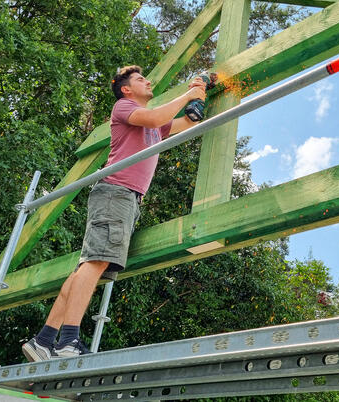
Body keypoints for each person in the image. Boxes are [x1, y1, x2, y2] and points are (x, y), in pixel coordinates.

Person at [21, 65, 206, 361]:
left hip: (124, 197)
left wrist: (199, 97)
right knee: (94, 263)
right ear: (126, 89)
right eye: (140, 79)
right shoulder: (124, 107)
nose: (147, 81)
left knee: (87, 267)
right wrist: (188, 93)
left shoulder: (153, 127)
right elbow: (159, 115)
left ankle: (44, 340)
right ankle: (68, 341)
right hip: (116, 192)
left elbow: (183, 123)